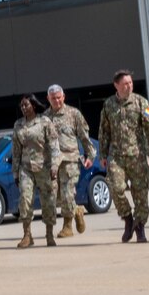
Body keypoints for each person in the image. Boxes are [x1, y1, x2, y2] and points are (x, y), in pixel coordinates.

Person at [99, 70, 149, 243]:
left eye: (131, 83)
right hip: (116, 156)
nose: (129, 86)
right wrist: (102, 154)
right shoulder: (108, 104)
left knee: (140, 193)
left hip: (137, 155)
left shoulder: (142, 102)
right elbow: (104, 131)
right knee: (115, 188)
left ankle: (140, 227)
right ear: (116, 85)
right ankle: (127, 219)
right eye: (125, 83)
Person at [44, 85, 96, 238]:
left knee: (67, 194)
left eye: (59, 97)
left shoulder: (73, 114)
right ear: (48, 99)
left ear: (64, 97)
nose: (57, 101)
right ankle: (77, 210)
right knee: (58, 197)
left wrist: (90, 156)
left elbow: (84, 136)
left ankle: (67, 226)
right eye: (53, 98)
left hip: (70, 160)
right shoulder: (44, 118)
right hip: (53, 163)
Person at [9, 95, 59, 246]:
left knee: (48, 201)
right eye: (22, 106)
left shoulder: (44, 122)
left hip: (44, 167)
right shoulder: (18, 125)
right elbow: (16, 150)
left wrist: (55, 165)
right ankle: (27, 235)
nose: (24, 108)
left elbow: (54, 144)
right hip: (26, 168)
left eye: (26, 105)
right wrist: (15, 172)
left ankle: (49, 234)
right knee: (25, 199)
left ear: (34, 105)